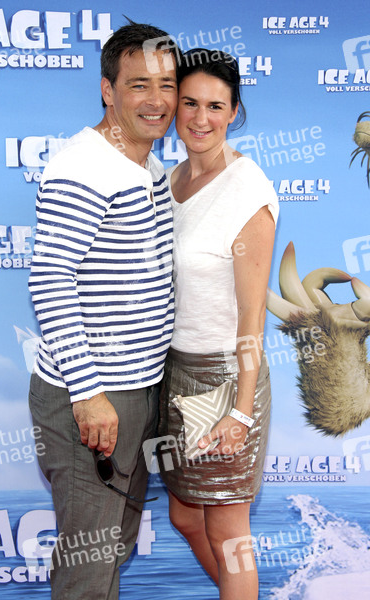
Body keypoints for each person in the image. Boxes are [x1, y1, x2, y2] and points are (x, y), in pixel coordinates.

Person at [28, 21, 178, 600]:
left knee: (113, 549)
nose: (157, 100)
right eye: (139, 85)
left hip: (138, 390)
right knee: (87, 573)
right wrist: (89, 394)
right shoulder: (83, 168)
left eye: (167, 85)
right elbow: (50, 281)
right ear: (107, 90)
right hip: (92, 399)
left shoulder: (148, 166)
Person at [158, 48, 279, 600]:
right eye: (190, 103)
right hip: (173, 372)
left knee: (228, 534)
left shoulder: (247, 190)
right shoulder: (172, 179)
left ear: (234, 112)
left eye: (215, 106)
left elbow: (252, 317)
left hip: (223, 378)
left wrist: (241, 410)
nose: (200, 118)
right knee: (185, 516)